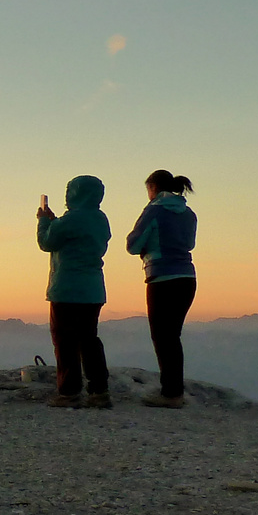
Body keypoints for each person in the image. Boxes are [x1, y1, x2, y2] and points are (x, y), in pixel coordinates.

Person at [36, 176, 112, 409]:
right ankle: (99, 390)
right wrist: (55, 221)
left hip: (68, 288)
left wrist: (43, 221)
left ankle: (69, 392)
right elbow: (77, 236)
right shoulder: (100, 219)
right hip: (93, 290)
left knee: (65, 341)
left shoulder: (72, 219)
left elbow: (47, 242)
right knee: (89, 340)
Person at [125, 169, 197, 408]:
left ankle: (171, 393)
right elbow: (189, 243)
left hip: (161, 278)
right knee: (172, 336)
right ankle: (173, 390)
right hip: (187, 277)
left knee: (162, 336)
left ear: (153, 187)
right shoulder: (188, 213)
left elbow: (133, 244)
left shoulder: (154, 210)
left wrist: (148, 248)